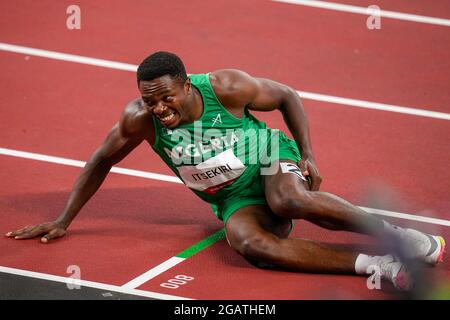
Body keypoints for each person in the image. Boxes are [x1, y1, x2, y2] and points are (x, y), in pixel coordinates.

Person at [6, 52, 445, 291]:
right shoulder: (139, 118)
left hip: (269, 156)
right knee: (251, 246)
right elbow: (100, 160)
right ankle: (378, 266)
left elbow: (288, 95)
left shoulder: (225, 86)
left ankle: (402, 237)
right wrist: (64, 219)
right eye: (149, 100)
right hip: (234, 197)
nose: (160, 110)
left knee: (287, 199)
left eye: (166, 99)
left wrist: (307, 154)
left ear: (186, 84)